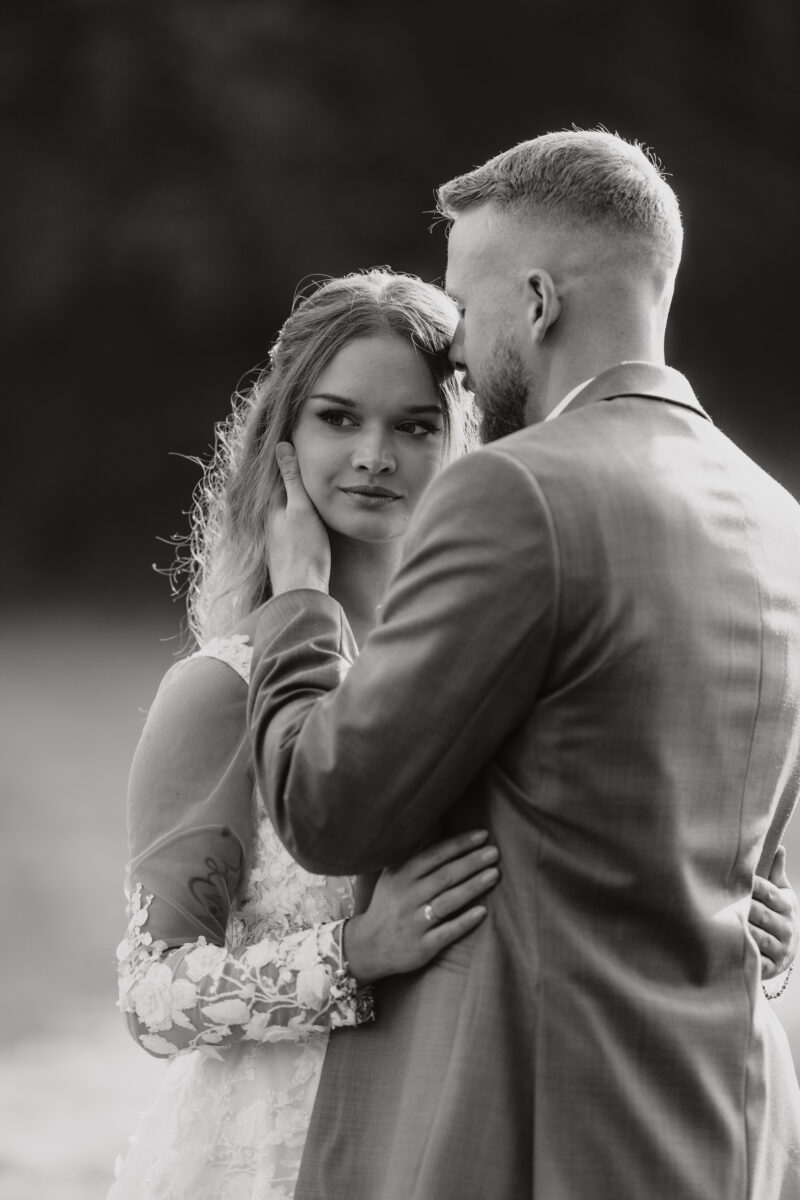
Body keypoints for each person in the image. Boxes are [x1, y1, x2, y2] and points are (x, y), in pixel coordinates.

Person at [248, 131, 800, 1199]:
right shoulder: (777, 520)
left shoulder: (517, 491)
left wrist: (303, 607)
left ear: (538, 301)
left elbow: (327, 809)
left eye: (466, 305)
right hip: (729, 1128)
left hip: (535, 1132)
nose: (454, 349)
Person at [109, 269, 504, 1200]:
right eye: (338, 418)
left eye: (415, 425)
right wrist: (354, 953)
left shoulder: (491, 668)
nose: (376, 454)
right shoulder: (221, 691)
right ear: (280, 437)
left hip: (443, 1143)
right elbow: (153, 999)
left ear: (461, 441)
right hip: (269, 1163)